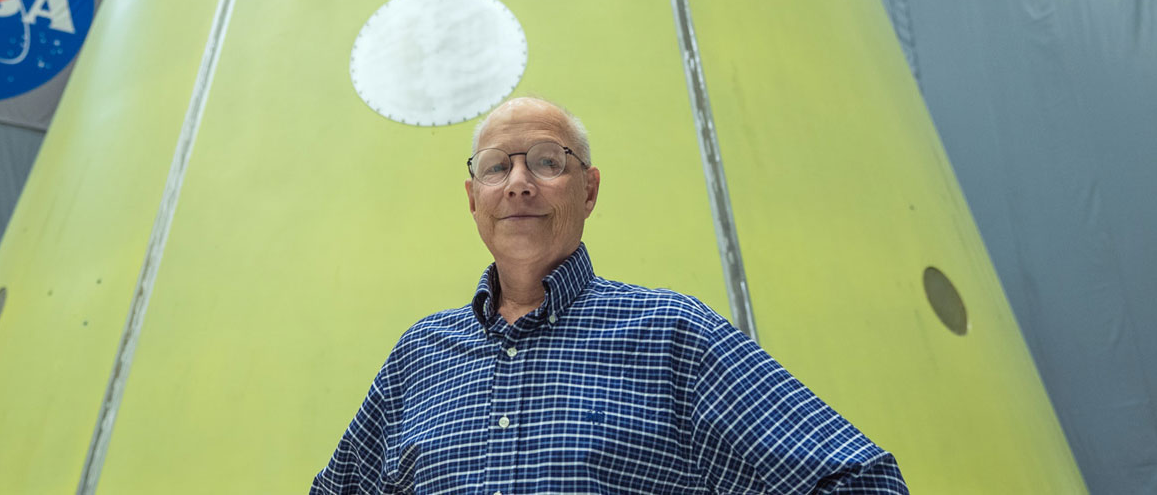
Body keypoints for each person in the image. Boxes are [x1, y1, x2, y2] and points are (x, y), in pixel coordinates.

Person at [311, 97, 907, 494]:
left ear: (588, 190)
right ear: (474, 199)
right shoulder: (419, 357)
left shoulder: (672, 335)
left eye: (547, 162)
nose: (519, 184)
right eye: (496, 168)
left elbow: (858, 480)